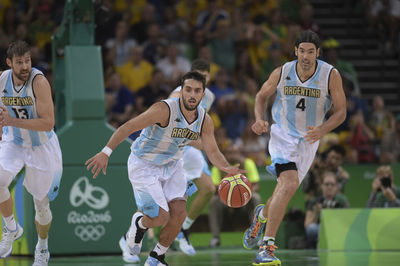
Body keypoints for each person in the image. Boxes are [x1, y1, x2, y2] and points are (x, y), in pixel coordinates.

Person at [85, 71, 244, 266]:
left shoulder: (205, 120)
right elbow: (128, 127)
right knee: (160, 217)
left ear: (203, 95)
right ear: (181, 91)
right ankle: (139, 224)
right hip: (144, 163)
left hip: (173, 164)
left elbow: (212, 150)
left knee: (179, 213)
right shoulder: (164, 109)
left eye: (197, 91)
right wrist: (106, 152)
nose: (192, 95)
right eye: (188, 90)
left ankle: (157, 257)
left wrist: (227, 168)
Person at [242, 30, 346, 265]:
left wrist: (323, 129)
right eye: (302, 51)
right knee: (288, 185)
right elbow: (260, 96)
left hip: (309, 140)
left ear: (318, 53)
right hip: (282, 136)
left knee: (284, 190)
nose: (306, 56)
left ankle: (261, 217)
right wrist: (259, 119)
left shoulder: (331, 75)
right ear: (295, 51)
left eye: (311, 51)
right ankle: (266, 248)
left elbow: (341, 112)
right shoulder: (283, 71)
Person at [0, 41, 63, 266]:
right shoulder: (1, 81)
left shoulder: (39, 82)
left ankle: (42, 247)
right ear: (9, 63)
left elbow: (48, 123)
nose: (25, 66)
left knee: (41, 204)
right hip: (14, 141)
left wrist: (10, 121)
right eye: (19, 62)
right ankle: (11, 227)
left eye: (27, 60)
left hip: (42, 146)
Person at [304, 171, 349, 248]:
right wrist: (316, 213)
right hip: (320, 229)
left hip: (337, 228)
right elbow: (307, 225)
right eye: (327, 184)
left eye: (332, 184)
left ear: (336, 186)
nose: (329, 187)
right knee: (312, 229)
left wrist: (333, 215)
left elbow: (348, 222)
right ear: (322, 186)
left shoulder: (341, 200)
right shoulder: (315, 201)